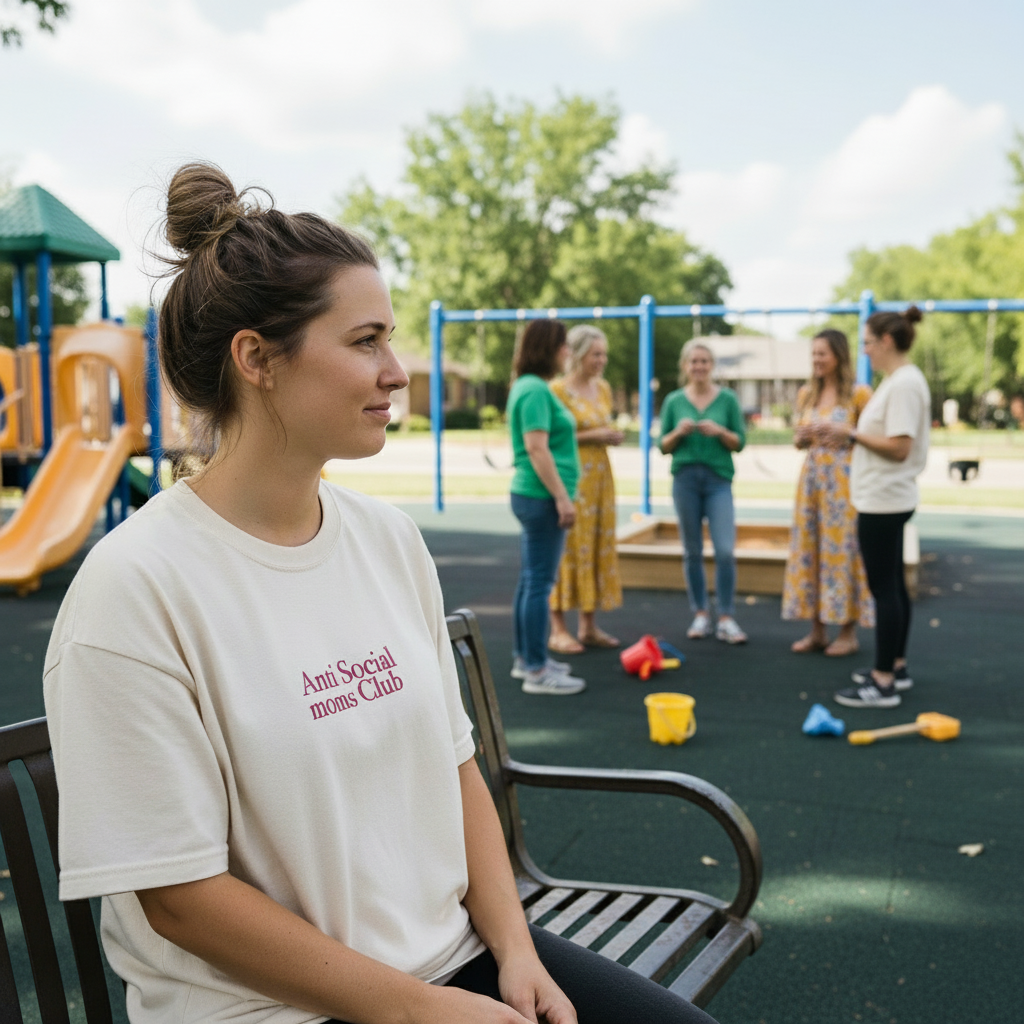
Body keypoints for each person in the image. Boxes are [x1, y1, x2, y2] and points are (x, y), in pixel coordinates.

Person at [43, 164, 721, 1024]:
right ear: (256, 359)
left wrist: (515, 950)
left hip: (453, 961)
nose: (397, 372)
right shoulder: (134, 588)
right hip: (270, 1010)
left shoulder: (387, 539)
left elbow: (456, 766)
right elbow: (180, 900)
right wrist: (419, 1010)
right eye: (366, 341)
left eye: (389, 340)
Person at [821, 306, 931, 709]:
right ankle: (895, 667)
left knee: (884, 590)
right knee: (893, 587)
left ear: (886, 341)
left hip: (884, 499)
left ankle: (882, 682)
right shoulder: (899, 381)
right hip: (885, 497)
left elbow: (899, 447)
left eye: (867, 342)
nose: (864, 350)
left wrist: (849, 433)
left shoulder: (903, 384)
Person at [507, 320, 587, 695]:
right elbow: (537, 448)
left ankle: (527, 659)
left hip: (535, 496)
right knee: (539, 584)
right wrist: (562, 498)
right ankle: (537, 671)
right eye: (563, 345)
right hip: (541, 498)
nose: (567, 352)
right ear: (548, 349)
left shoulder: (529, 386)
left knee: (531, 581)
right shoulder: (535, 389)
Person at [782, 330, 874, 656]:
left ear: (838, 355)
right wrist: (803, 437)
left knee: (842, 551)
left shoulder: (859, 395)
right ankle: (817, 630)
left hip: (843, 483)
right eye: (814, 354)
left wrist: (845, 432)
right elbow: (798, 441)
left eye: (822, 353)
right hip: (812, 482)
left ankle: (847, 632)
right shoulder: (807, 393)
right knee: (811, 549)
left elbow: (872, 438)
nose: (816, 360)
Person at [660, 340, 747, 644]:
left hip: (717, 480)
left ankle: (725, 616)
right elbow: (662, 445)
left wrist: (720, 432)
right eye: (694, 361)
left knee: (724, 550)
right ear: (685, 366)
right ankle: (700, 612)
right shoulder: (674, 401)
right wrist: (678, 432)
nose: (699, 366)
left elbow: (740, 442)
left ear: (712, 365)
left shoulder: (727, 400)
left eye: (704, 361)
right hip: (685, 479)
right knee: (692, 550)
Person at [547, 326, 625, 654]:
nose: (601, 360)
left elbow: (601, 425)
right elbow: (550, 437)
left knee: (594, 544)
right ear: (578, 355)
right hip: (571, 477)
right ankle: (558, 629)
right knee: (567, 549)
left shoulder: (603, 388)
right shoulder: (557, 391)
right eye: (596, 354)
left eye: (604, 354)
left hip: (601, 479)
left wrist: (610, 435)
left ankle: (589, 626)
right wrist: (596, 436)